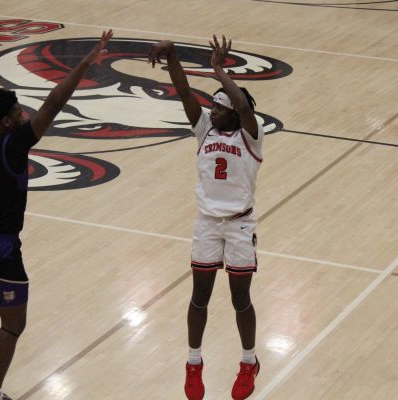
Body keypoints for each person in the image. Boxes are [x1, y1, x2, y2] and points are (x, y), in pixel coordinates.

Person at [0, 29, 113, 400]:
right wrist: (84, 62)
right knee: (13, 326)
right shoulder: (13, 144)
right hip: (1, 246)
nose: (24, 114)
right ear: (6, 121)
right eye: (18, 111)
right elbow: (54, 101)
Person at [148, 35, 263, 400]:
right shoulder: (205, 130)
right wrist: (173, 56)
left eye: (218, 106)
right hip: (208, 223)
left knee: (239, 299)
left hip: (240, 224)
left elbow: (243, 105)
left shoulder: (251, 134)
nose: (211, 111)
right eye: (212, 106)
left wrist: (218, 70)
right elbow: (183, 93)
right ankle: (193, 363)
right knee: (199, 296)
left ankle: (249, 361)